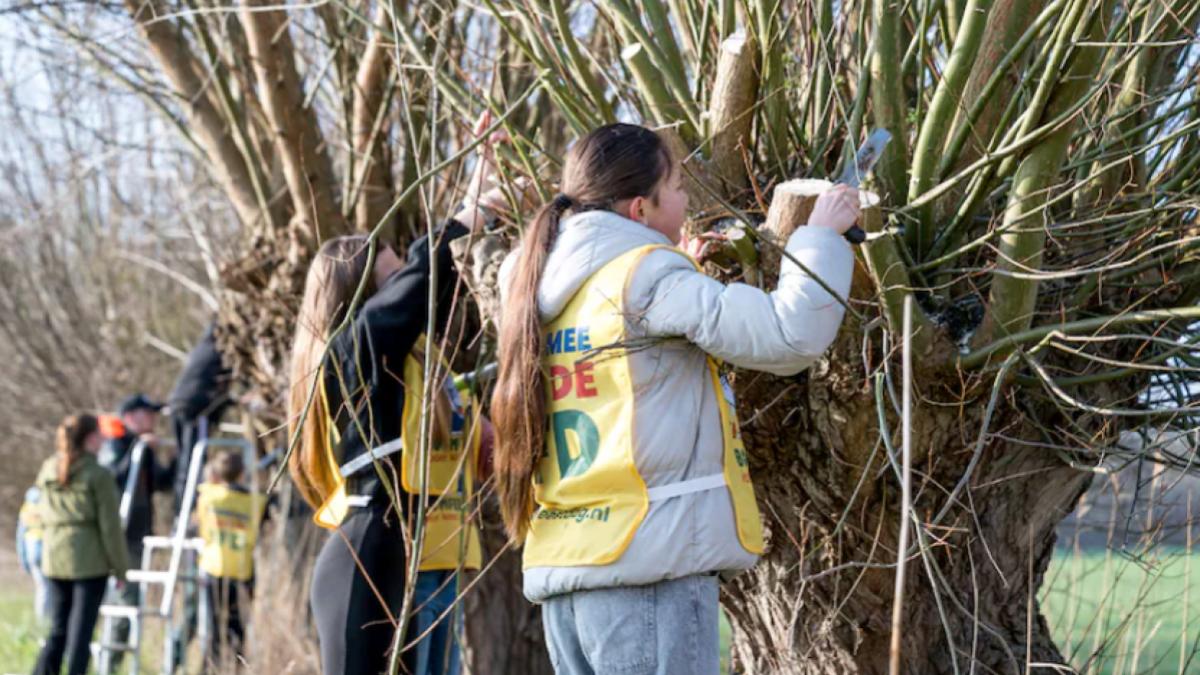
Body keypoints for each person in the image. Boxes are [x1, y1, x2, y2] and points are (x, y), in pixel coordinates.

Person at [490, 123, 860, 675]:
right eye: (680, 184)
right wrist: (821, 237)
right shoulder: (648, 278)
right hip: (646, 578)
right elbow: (789, 335)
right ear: (641, 209)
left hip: (570, 574)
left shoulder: (533, 283)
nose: (689, 199)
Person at [288, 159, 506, 674]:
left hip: (401, 552)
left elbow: (430, 287)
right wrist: (469, 215)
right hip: (369, 556)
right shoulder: (356, 348)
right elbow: (421, 279)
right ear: (365, 293)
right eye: (391, 275)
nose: (406, 289)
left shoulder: (390, 359)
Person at [32, 413, 130, 675]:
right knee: (81, 633)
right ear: (90, 438)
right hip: (88, 562)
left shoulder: (48, 468)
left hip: (54, 557)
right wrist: (120, 569)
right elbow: (110, 528)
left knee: (58, 628)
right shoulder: (98, 475)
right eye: (100, 434)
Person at [98, 392, 175, 664]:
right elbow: (111, 479)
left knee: (133, 602)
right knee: (126, 600)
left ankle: (113, 661)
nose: (153, 419)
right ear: (130, 417)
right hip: (120, 536)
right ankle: (110, 662)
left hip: (141, 535)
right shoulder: (115, 444)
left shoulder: (143, 448)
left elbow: (162, 484)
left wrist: (176, 458)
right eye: (148, 413)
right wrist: (138, 451)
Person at [194, 450, 265, 670]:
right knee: (238, 629)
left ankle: (210, 669)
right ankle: (236, 669)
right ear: (242, 473)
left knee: (213, 630)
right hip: (242, 571)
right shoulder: (255, 502)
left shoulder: (208, 496)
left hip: (213, 567)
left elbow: (204, 489)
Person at [17, 485, 50, 621]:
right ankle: (47, 624)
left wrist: (24, 562)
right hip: (47, 551)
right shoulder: (49, 504)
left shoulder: (27, 508)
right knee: (51, 589)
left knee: (42, 589)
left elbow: (20, 537)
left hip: (31, 551)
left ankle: (42, 623)